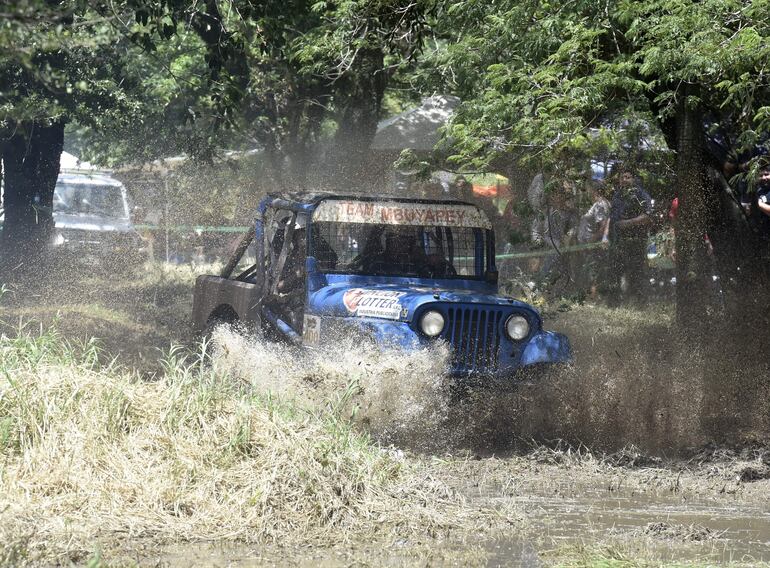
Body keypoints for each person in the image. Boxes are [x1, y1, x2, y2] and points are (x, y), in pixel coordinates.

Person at [608, 166, 654, 302]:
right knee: (615, 271)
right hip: (618, 240)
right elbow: (612, 217)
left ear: (633, 179)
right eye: (622, 177)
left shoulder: (641, 195)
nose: (624, 180)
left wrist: (628, 223)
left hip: (636, 240)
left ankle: (640, 302)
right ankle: (615, 301)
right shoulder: (617, 195)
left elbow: (648, 216)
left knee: (637, 272)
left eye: (627, 177)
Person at [577, 179, 611, 297]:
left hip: (593, 244)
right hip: (589, 244)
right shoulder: (599, 204)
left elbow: (603, 226)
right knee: (592, 269)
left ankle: (594, 297)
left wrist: (591, 241)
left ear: (595, 190)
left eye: (588, 189)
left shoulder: (600, 205)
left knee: (593, 270)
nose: (587, 191)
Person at [362, 226, 428, 276]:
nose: (398, 245)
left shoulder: (417, 265)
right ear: (388, 242)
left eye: (404, 242)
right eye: (393, 240)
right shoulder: (378, 262)